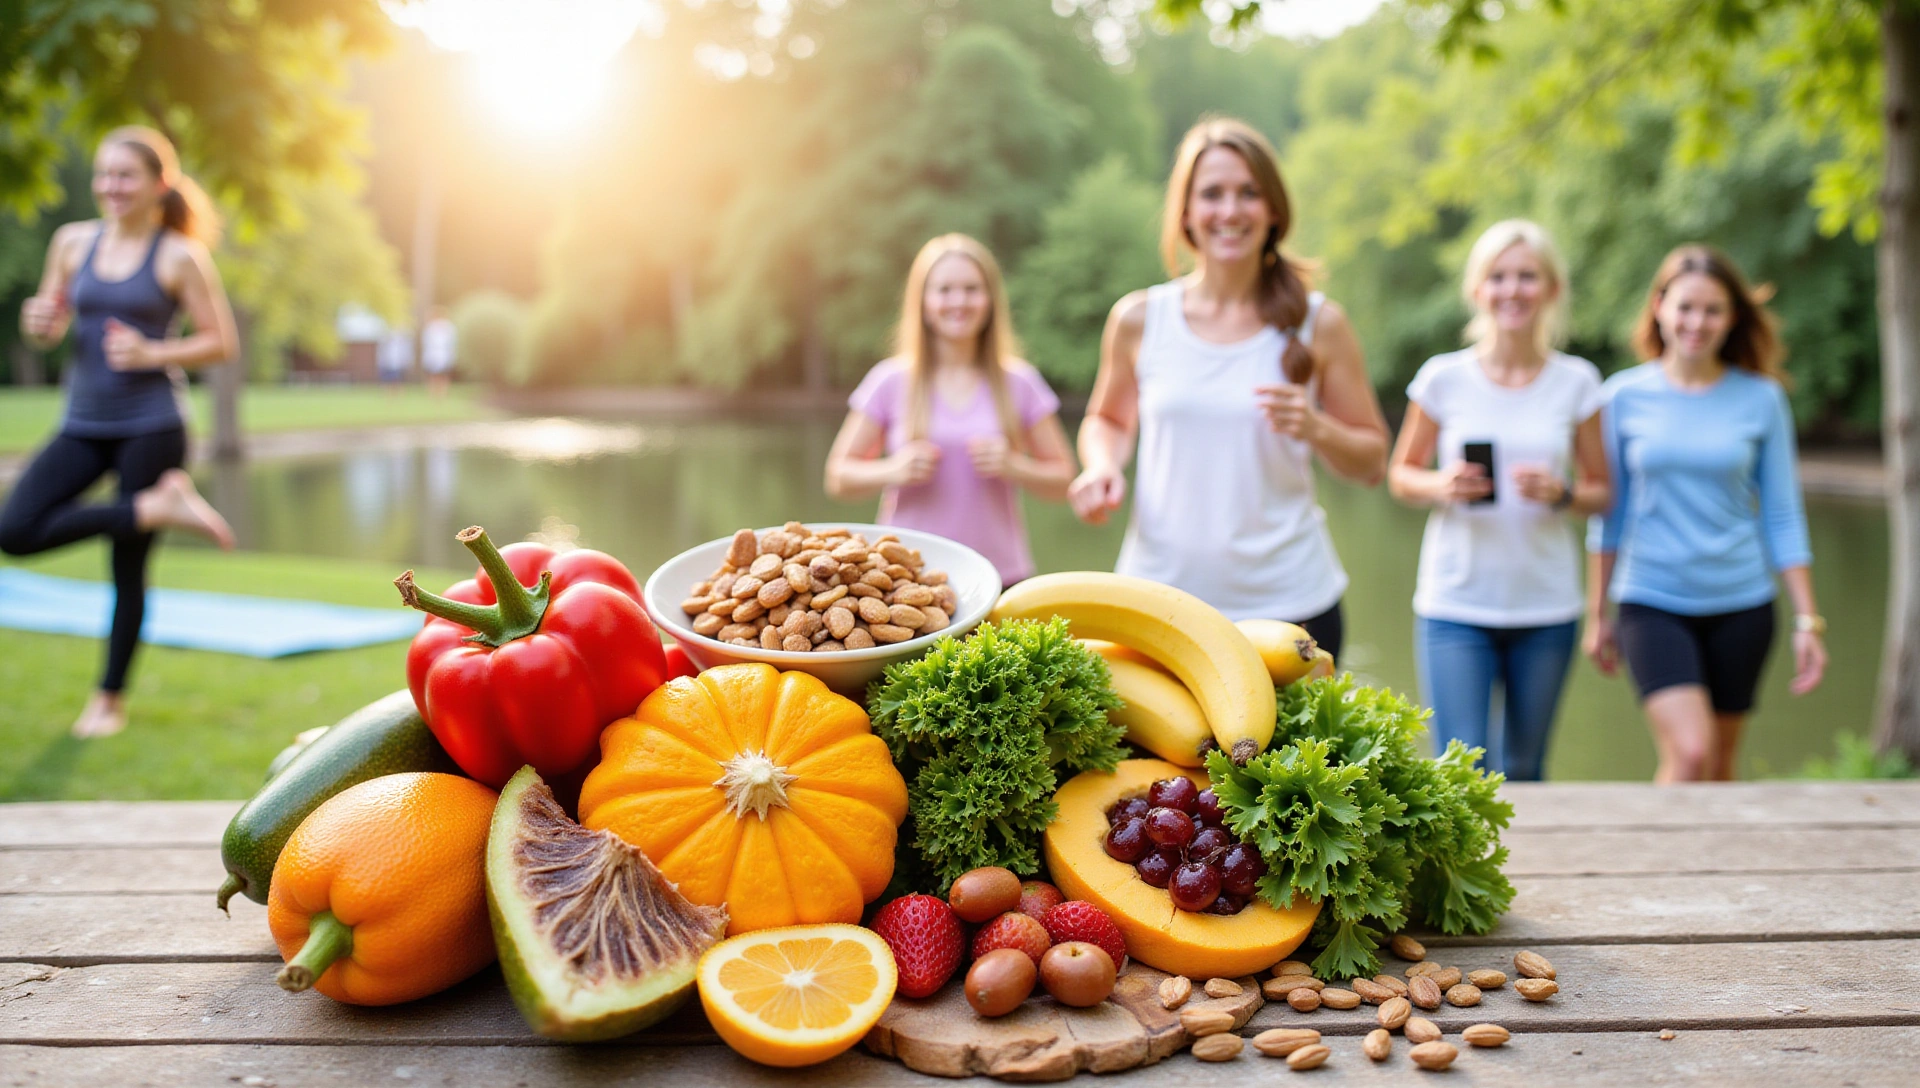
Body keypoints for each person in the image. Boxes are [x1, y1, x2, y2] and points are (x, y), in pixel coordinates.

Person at [1067, 117, 1388, 659]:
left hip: (1292, 607)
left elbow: (1372, 462)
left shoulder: (1321, 323)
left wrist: (1316, 427)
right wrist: (1100, 466)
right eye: (1212, 194)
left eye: (1248, 193)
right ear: (1186, 211)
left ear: (1273, 210)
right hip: (1158, 603)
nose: (1231, 210)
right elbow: (1108, 420)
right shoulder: (1140, 318)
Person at [0, 125, 238, 738]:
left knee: (125, 570)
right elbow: (47, 327)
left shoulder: (178, 255)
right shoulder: (72, 242)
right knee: (15, 529)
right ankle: (157, 506)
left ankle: (108, 701)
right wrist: (38, 323)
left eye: (125, 175)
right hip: (82, 421)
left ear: (160, 183)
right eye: (103, 173)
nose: (110, 186)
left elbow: (220, 342)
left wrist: (153, 351)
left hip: (152, 425)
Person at [1585, 245, 1827, 782]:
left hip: (1743, 604)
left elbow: (1782, 516)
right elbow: (1608, 515)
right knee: (1690, 753)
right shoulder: (1621, 397)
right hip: (1651, 600)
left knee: (1718, 766)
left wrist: (1808, 621)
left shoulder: (1761, 399)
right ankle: (1655, 867)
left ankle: (1715, 868)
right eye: (1685, 307)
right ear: (1659, 307)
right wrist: (1597, 612)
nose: (1697, 322)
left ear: (1732, 317)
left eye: (1712, 309)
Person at [1387, 221, 1612, 780]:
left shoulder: (1578, 382)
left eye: (1527, 277)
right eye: (1499, 277)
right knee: (1459, 768)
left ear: (1552, 289)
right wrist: (1442, 484)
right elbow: (1400, 475)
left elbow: (1602, 492)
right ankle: (1461, 870)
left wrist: (1561, 493)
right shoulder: (1443, 379)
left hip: (1546, 606)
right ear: (1478, 290)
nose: (1513, 290)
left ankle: (1528, 870)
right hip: (1456, 606)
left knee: (1525, 767)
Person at [824, 234, 1075, 585]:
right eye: (944, 290)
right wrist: (892, 469)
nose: (959, 300)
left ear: (989, 300)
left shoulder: (1020, 382)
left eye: (972, 289)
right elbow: (838, 477)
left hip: (998, 577)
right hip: (906, 577)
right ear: (924, 302)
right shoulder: (889, 380)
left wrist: (1014, 466)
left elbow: (1064, 480)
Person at [420, 307, 456, 397]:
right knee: (433, 373)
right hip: (433, 353)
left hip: (443, 353)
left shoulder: (448, 327)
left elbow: (451, 341)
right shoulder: (430, 327)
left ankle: (443, 392)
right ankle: (433, 392)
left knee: (443, 373)